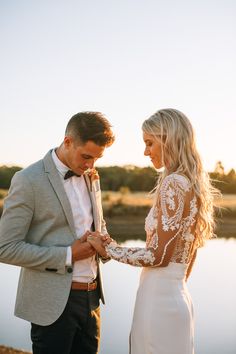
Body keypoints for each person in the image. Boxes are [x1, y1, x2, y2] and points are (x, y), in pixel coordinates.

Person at [87, 108, 219, 354]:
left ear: (168, 139)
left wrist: (109, 248)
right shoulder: (191, 183)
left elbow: (157, 256)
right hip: (177, 296)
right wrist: (172, 287)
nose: (145, 151)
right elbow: (191, 252)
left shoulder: (173, 183)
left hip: (158, 301)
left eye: (150, 143)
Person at [0, 111, 115, 354]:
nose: (90, 165)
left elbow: (98, 224)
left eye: (96, 159)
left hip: (92, 300)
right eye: (86, 156)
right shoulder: (28, 180)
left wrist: (105, 244)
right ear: (67, 142)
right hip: (52, 306)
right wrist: (67, 255)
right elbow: (5, 247)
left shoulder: (91, 177)